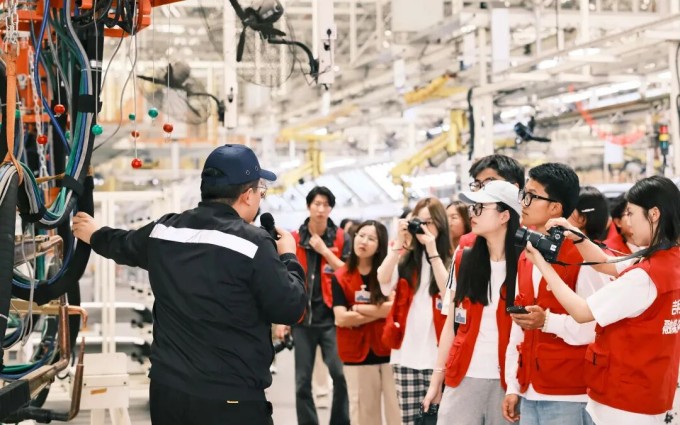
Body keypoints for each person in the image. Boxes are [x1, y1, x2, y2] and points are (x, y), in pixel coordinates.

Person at [71, 144, 307, 425]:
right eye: (260, 191)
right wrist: (289, 256)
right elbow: (290, 307)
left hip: (168, 393)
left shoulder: (166, 231)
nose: (260, 198)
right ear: (247, 195)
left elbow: (123, 244)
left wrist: (94, 233)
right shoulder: (254, 244)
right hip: (229, 398)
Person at [525, 175, 680, 425]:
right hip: (648, 389)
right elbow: (605, 263)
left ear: (653, 214)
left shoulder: (644, 276)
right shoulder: (669, 260)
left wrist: (543, 265)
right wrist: (576, 236)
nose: (627, 221)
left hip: (625, 400)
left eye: (631, 213)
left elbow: (582, 312)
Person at [502, 163, 607, 425]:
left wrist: (548, 321)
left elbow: (597, 326)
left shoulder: (584, 256)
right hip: (529, 388)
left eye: (532, 196)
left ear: (555, 208)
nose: (523, 202)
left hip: (570, 393)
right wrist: (513, 386)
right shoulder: (527, 256)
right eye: (524, 194)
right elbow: (518, 327)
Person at [423, 181, 521, 425]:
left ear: (505, 216)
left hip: (510, 382)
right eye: (472, 208)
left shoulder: (527, 262)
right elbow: (451, 324)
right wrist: (437, 379)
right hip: (463, 375)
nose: (472, 214)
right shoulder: (463, 257)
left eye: (480, 208)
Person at [275, 186, 351, 425]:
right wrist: (283, 320)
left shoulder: (341, 238)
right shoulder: (294, 239)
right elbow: (283, 280)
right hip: (302, 320)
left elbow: (348, 275)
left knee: (340, 375)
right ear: (308, 206)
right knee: (302, 382)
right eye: (317, 204)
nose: (321, 209)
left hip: (331, 320)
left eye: (325, 205)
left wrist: (324, 251)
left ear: (331, 208)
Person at [377, 197, 452, 424]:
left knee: (439, 420)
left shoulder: (451, 259)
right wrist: (398, 244)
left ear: (440, 224)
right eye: (419, 222)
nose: (423, 227)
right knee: (410, 421)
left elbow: (449, 294)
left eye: (429, 222)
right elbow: (383, 281)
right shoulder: (405, 260)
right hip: (405, 355)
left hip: (438, 358)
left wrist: (432, 250)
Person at [332, 220, 401, 425]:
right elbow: (341, 318)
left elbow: (394, 308)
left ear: (380, 246)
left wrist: (358, 309)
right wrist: (379, 312)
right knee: (363, 416)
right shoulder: (340, 276)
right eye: (361, 235)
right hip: (356, 354)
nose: (363, 241)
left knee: (397, 414)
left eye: (371, 238)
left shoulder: (387, 273)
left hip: (390, 351)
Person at [458, 154, 525, 249]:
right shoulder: (468, 243)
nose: (480, 190)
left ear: (514, 188)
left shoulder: (533, 239)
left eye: (489, 183)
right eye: (477, 184)